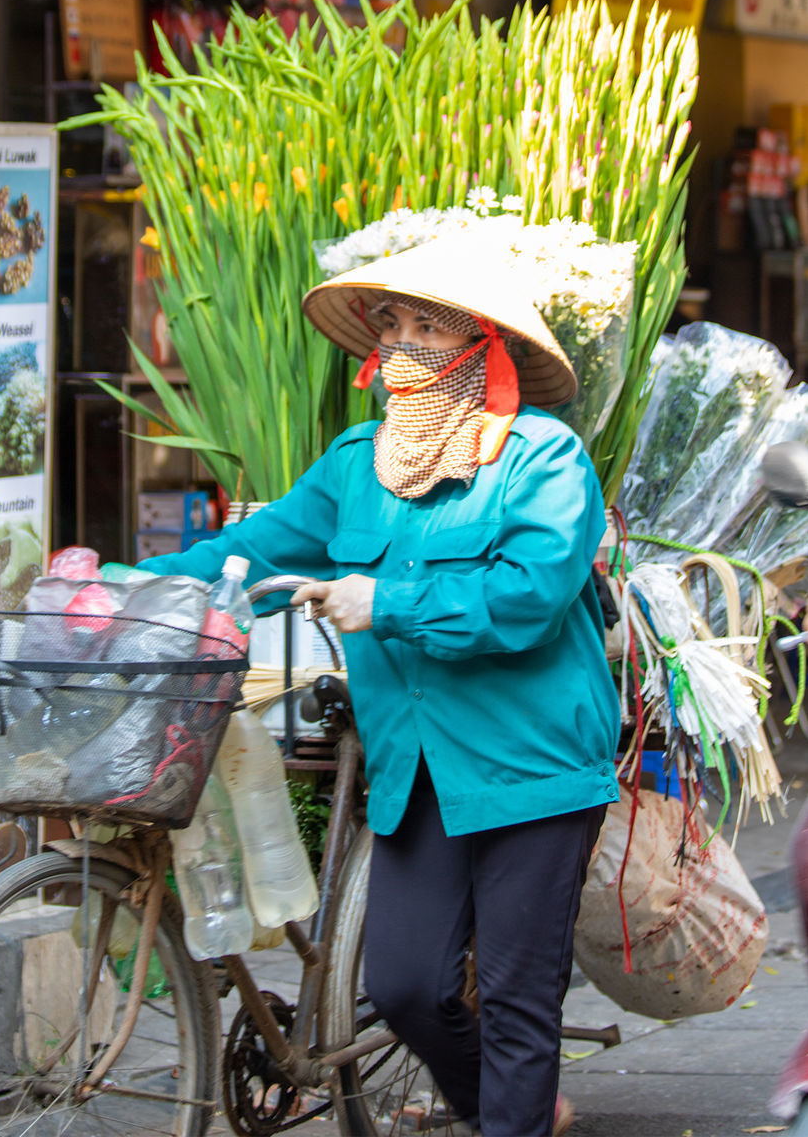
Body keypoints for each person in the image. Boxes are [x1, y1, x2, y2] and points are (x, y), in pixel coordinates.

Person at [140, 227, 621, 1137]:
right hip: (419, 768)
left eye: (425, 330)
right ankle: (514, 1114)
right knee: (404, 987)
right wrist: (127, 587)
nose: (397, 347)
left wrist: (386, 600)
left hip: (533, 763)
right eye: (388, 324)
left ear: (486, 349)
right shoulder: (356, 466)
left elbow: (527, 595)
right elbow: (249, 549)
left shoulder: (542, 458)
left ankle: (513, 1119)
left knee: (519, 999)